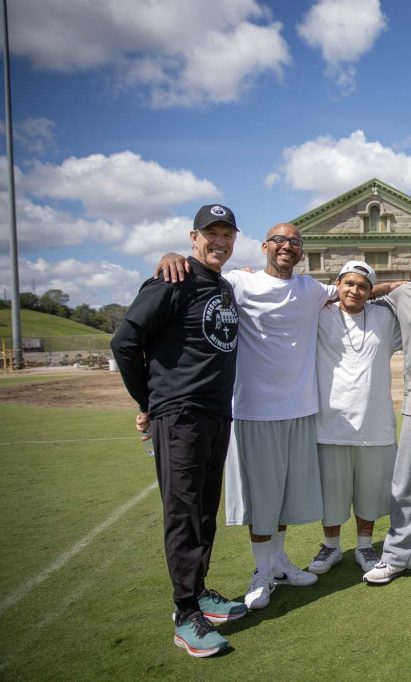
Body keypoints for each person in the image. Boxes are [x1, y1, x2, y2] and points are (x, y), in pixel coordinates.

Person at [156, 223, 335, 611]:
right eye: (280, 241)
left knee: (285, 498)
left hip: (301, 409)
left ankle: (280, 562)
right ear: (265, 246)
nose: (287, 247)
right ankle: (261, 572)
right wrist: (172, 258)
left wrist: (405, 287)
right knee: (261, 501)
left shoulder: (313, 290)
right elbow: (198, 272)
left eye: (294, 242)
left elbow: (357, 288)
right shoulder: (237, 283)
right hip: (254, 412)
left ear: (301, 251)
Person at [111, 204, 246, 658]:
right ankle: (185, 611)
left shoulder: (222, 287)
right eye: (212, 234)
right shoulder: (172, 280)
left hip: (215, 414)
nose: (220, 242)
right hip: (180, 415)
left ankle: (200, 592)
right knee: (183, 512)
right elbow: (125, 341)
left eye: (227, 234)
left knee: (205, 509)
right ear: (194, 237)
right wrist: (149, 404)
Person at [308, 261, 402, 576]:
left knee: (370, 493)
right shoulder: (320, 315)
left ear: (369, 291)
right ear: (337, 284)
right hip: (330, 424)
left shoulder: (384, 317)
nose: (355, 290)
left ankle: (364, 544)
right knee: (331, 495)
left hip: (375, 426)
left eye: (363, 286)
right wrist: (384, 286)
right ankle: (331, 547)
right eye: (349, 283)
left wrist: (389, 288)